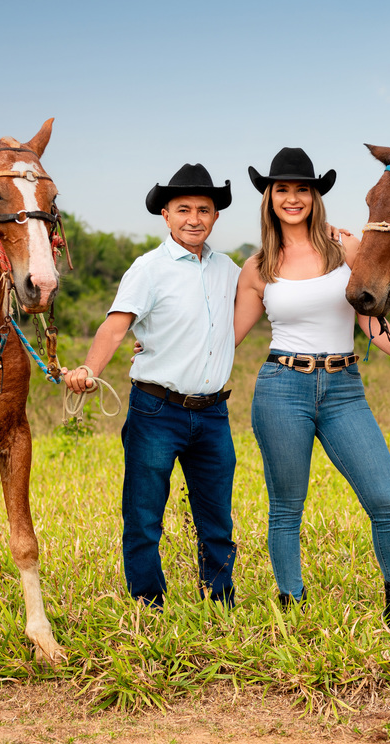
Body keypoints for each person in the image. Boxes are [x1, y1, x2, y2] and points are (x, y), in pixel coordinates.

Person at [234, 147, 390, 625]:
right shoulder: (257, 267)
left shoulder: (346, 248)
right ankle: (292, 605)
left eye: (302, 189)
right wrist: (156, 347)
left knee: (384, 498)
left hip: (344, 389)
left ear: (315, 195)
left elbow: (369, 321)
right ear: (270, 197)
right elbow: (226, 337)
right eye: (283, 189)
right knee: (286, 507)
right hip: (282, 387)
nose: (293, 198)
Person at [64, 163, 239, 609]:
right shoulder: (148, 268)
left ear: (216, 216)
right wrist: (89, 369)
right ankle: (148, 602)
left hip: (214, 413)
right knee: (143, 516)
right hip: (157, 411)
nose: (194, 218)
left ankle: (219, 598)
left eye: (204, 209)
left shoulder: (228, 270)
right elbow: (116, 326)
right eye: (184, 209)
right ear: (166, 215)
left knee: (216, 517)